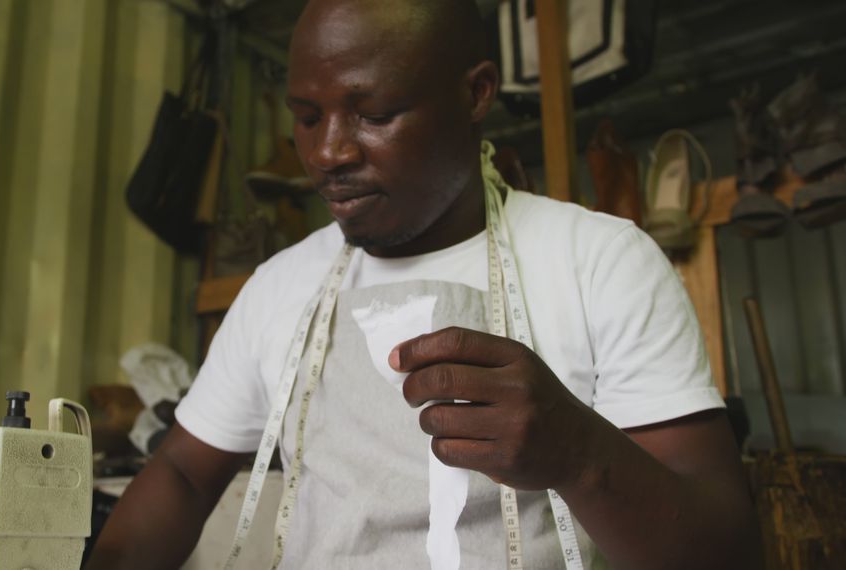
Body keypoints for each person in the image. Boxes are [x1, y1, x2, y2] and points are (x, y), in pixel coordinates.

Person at [88, 0, 760, 568]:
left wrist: (582, 455)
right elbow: (179, 473)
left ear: (476, 93)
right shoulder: (278, 287)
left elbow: (725, 546)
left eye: (373, 114)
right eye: (307, 116)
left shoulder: (601, 262)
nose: (327, 154)